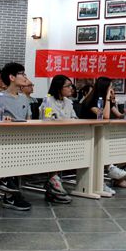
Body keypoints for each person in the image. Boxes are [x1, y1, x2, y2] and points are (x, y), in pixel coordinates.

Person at [0, 62, 32, 210]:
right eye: (21, 74)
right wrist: (2, 119)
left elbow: (28, 119)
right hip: (3, 140)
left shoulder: (24, 98)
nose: (25, 77)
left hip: (22, 138)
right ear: (12, 77)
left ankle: (13, 192)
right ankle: (10, 195)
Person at [81, 77, 126, 191]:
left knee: (125, 147)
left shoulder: (106, 101)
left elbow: (118, 115)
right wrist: (108, 98)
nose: (112, 90)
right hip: (89, 136)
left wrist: (125, 113)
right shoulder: (91, 101)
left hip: (102, 134)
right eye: (110, 87)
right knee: (106, 149)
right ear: (104, 88)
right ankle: (104, 178)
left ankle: (114, 173)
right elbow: (105, 116)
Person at [39, 75, 78, 204]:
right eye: (68, 86)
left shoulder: (68, 102)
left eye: (71, 85)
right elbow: (47, 119)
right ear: (58, 87)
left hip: (66, 136)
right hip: (49, 137)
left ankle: (54, 182)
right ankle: (53, 180)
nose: (71, 88)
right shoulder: (48, 100)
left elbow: (74, 118)